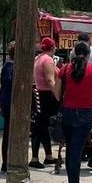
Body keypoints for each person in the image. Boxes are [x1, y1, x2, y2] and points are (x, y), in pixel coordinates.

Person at [52, 41, 92, 183]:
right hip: (85, 113)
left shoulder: (65, 69)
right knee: (77, 149)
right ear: (89, 54)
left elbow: (56, 92)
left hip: (67, 112)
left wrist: (64, 102)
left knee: (71, 148)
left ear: (73, 52)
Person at [30, 37, 59, 169]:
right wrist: (57, 95)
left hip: (40, 94)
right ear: (52, 47)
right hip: (46, 95)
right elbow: (50, 80)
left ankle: (48, 155)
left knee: (43, 126)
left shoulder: (38, 58)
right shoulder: (47, 60)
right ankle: (35, 158)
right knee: (40, 126)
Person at [0, 41, 15, 173]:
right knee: (9, 134)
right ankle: (7, 162)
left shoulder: (7, 67)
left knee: (8, 134)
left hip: (7, 102)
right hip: (11, 104)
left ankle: (7, 162)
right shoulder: (10, 68)